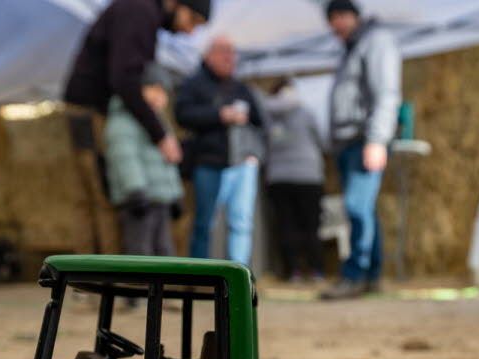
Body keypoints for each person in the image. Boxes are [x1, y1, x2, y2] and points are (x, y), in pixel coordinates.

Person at [64, 0, 210, 165]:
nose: (191, 31)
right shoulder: (139, 11)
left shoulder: (145, 13)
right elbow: (125, 79)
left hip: (98, 111)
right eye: (192, 20)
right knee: (97, 174)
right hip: (91, 112)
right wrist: (160, 135)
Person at [321, 0, 402, 300]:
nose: (337, 23)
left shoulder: (376, 41)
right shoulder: (351, 49)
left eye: (342, 15)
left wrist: (377, 139)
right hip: (348, 142)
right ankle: (371, 276)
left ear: (355, 16)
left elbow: (387, 94)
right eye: (332, 18)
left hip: (363, 139)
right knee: (363, 209)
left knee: (356, 207)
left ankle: (354, 275)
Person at [175, 36, 266, 266]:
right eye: (223, 51)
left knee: (241, 221)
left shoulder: (241, 88)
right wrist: (219, 115)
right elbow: (182, 115)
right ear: (209, 55)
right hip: (208, 162)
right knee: (205, 222)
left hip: (241, 163)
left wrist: (254, 154)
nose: (229, 57)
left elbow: (261, 123)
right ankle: (199, 274)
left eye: (232, 52)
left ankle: (239, 273)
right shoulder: (194, 84)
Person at [105, 64, 184, 258]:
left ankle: (164, 280)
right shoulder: (123, 122)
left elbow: (168, 163)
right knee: (140, 251)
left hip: (161, 199)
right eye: (153, 89)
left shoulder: (160, 125)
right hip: (139, 202)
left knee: (164, 250)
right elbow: (124, 157)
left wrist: (176, 194)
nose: (159, 96)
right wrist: (135, 189)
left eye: (163, 91)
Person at [263, 77, 326, 282]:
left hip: (279, 177)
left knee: (286, 225)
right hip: (308, 175)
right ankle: (316, 270)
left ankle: (293, 271)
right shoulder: (306, 113)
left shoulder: (267, 115)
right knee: (311, 225)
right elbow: (322, 141)